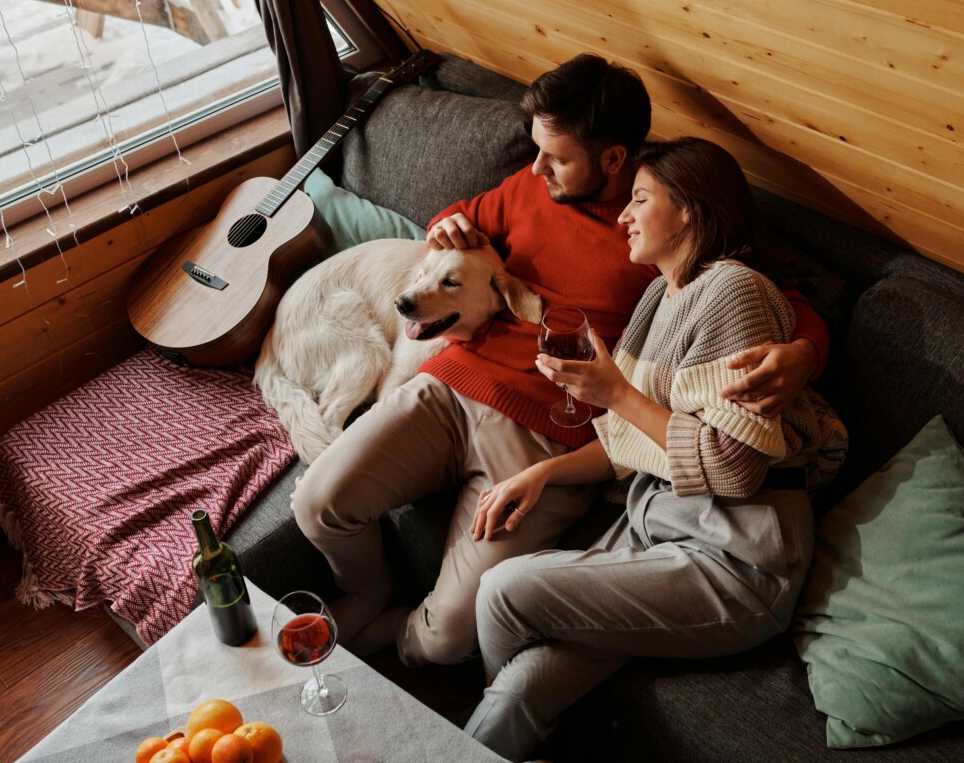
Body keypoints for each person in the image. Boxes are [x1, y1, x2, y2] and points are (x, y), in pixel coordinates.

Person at [288, 55, 826, 668]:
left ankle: (398, 637)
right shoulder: (529, 184)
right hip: (451, 387)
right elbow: (460, 218)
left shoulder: (669, 220)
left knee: (446, 642)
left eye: (557, 157)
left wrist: (803, 354)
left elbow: (784, 296)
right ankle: (370, 589)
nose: (537, 167)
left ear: (615, 159)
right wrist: (447, 225)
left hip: (550, 440)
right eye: (536, 150)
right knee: (315, 504)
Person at [462, 137, 845, 761]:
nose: (622, 215)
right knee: (518, 693)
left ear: (690, 208)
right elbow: (633, 443)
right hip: (657, 528)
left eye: (640, 199)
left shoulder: (735, 294)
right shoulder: (656, 298)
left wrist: (615, 393)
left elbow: (734, 467)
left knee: (506, 588)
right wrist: (543, 474)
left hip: (738, 560)